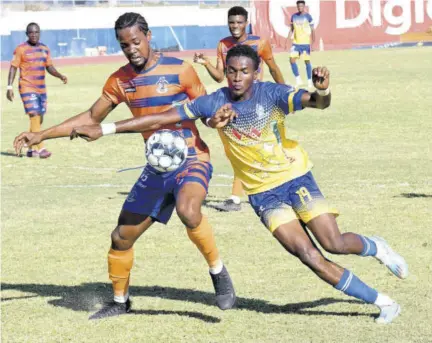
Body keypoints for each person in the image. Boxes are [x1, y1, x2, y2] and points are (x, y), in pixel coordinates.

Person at [66, 45, 408, 324]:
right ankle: (384, 303)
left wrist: (323, 89)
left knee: (333, 243)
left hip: (294, 177)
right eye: (232, 71)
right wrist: (107, 129)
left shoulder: (272, 94)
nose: (237, 77)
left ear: (255, 73)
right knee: (307, 255)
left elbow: (318, 103)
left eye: (244, 71)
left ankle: (376, 247)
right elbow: (162, 117)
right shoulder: (214, 101)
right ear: (225, 71)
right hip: (262, 193)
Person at [13, 12, 236, 320]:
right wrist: (41, 134)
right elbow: (92, 118)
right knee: (121, 237)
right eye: (124, 44)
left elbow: (206, 110)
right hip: (157, 168)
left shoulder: (180, 70)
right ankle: (120, 302)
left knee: (188, 210)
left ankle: (218, 271)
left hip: (191, 158)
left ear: (148, 36)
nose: (131, 48)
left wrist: (216, 119)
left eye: (135, 41)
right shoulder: (120, 80)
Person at [194, 5, 286, 212]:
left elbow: (273, 69)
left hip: (259, 102)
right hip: (235, 104)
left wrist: (285, 93)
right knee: (241, 149)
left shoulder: (259, 43)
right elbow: (220, 76)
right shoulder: (222, 45)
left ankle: (242, 196)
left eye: (239, 22)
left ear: (247, 23)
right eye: (231, 23)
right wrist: (206, 63)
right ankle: (238, 197)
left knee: (260, 147)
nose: (235, 26)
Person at [6, 22, 67, 159]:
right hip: (26, 87)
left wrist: (60, 75)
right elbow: (13, 67)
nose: (34, 35)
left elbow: (49, 67)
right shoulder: (21, 49)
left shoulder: (44, 49)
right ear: (27, 34)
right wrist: (9, 86)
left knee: (39, 120)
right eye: (31, 33)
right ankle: (41, 148)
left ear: (39, 33)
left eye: (36, 32)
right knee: (34, 114)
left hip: (41, 89)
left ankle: (30, 148)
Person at [285, 0, 315, 88]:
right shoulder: (293, 16)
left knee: (307, 62)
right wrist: (287, 40)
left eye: (301, 6)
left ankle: (309, 81)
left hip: (305, 44)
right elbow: (291, 29)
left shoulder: (308, 17)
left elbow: (313, 30)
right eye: (298, 6)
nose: (300, 8)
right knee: (292, 60)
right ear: (297, 7)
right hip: (296, 43)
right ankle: (298, 80)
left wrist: (313, 43)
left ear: (304, 6)